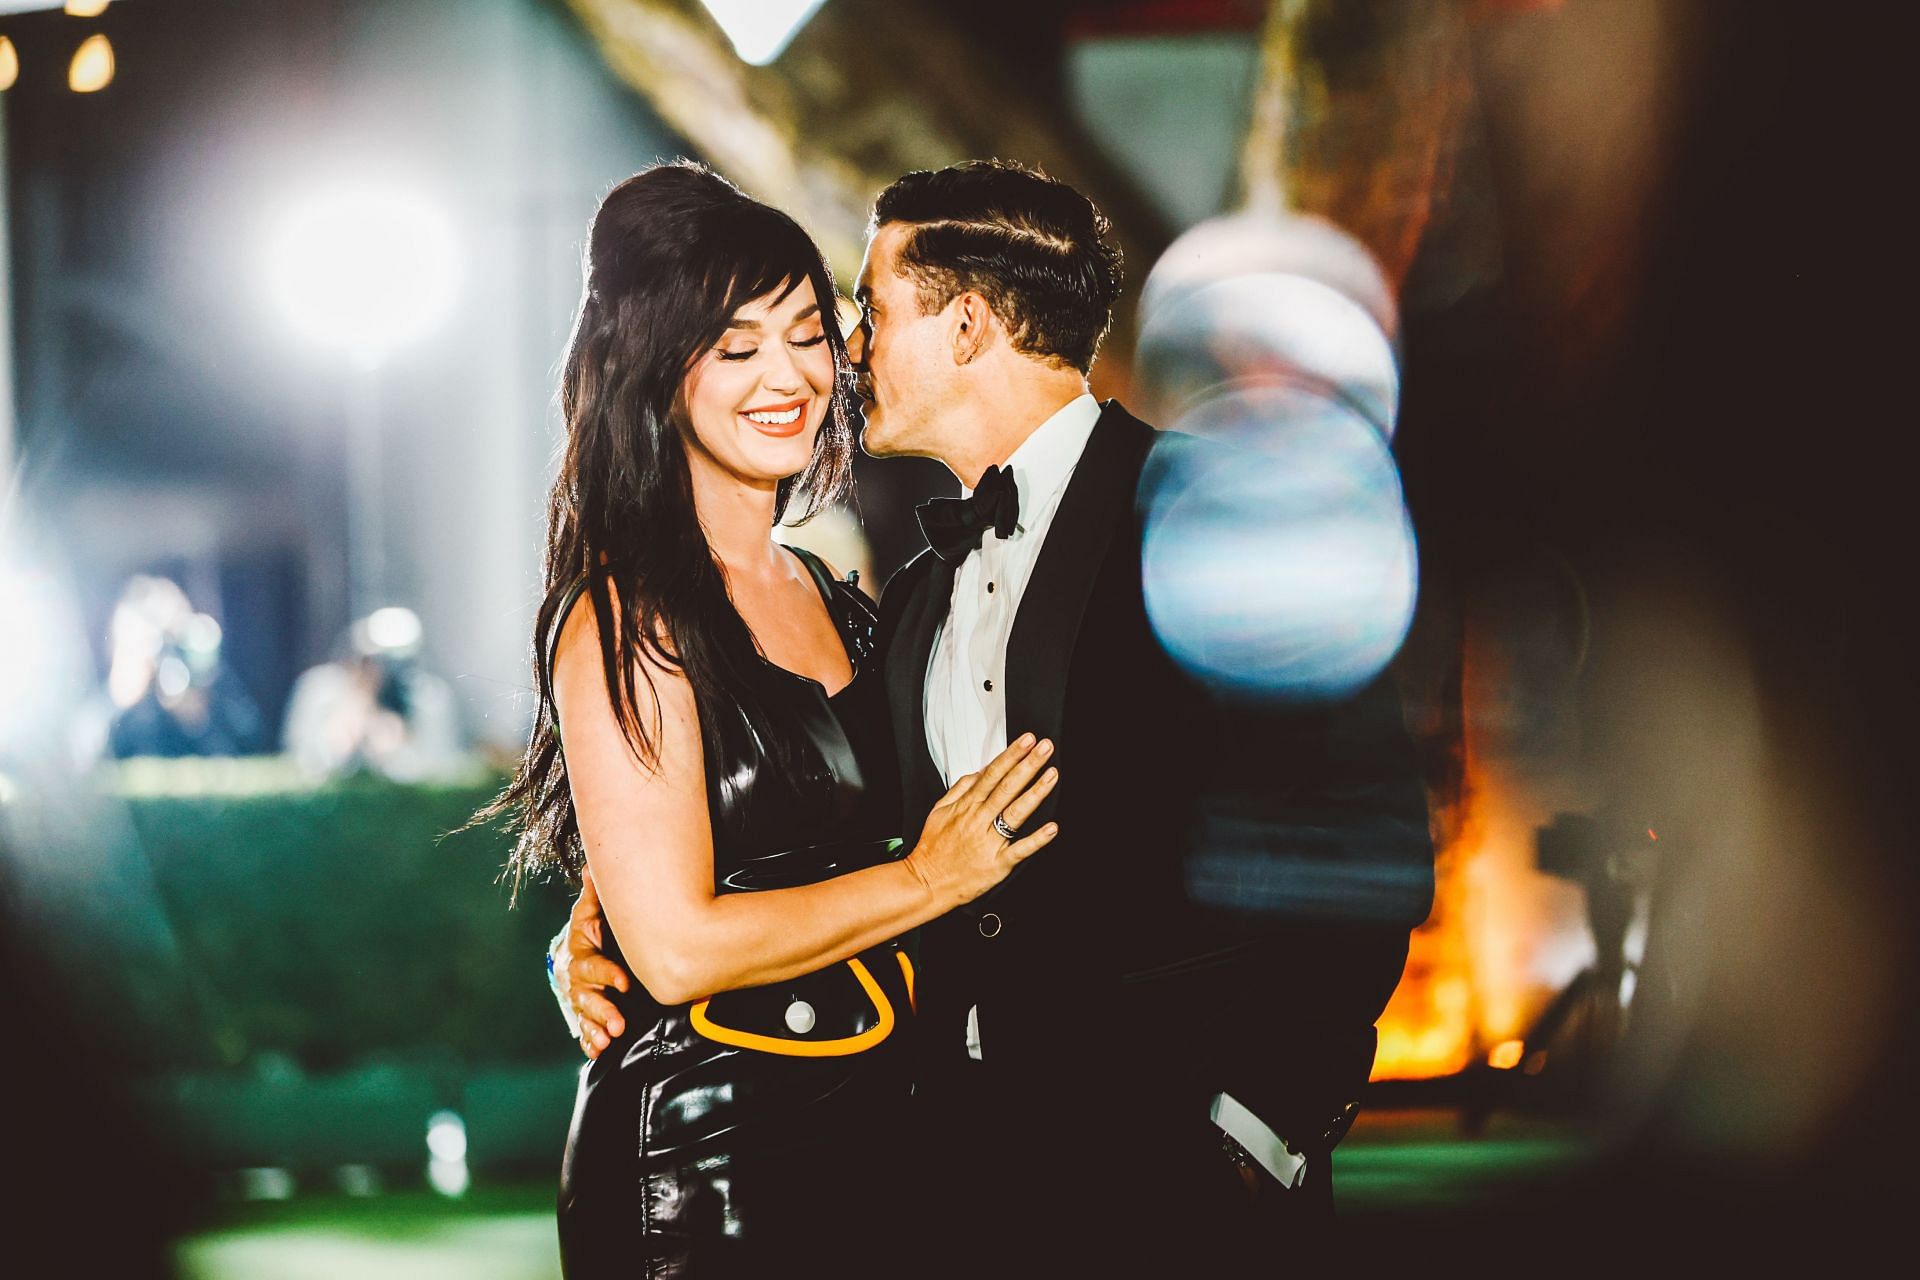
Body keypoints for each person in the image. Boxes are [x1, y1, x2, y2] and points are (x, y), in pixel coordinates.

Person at [553, 161, 1435, 1272]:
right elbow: (793, 816)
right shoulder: (910, 598)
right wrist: (611, 914)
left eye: (863, 315)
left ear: (967, 326)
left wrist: (1261, 1128)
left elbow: (1367, 839)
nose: (849, 350)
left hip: (1196, 1191)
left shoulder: (1220, 514)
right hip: (948, 1185)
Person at [484, 162, 1061, 1278]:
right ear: (658, 380)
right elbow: (679, 943)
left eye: (806, 333)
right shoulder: (626, 615)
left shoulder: (843, 596)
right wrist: (930, 879)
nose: (788, 376)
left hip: (887, 1133)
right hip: (705, 1161)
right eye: (737, 349)